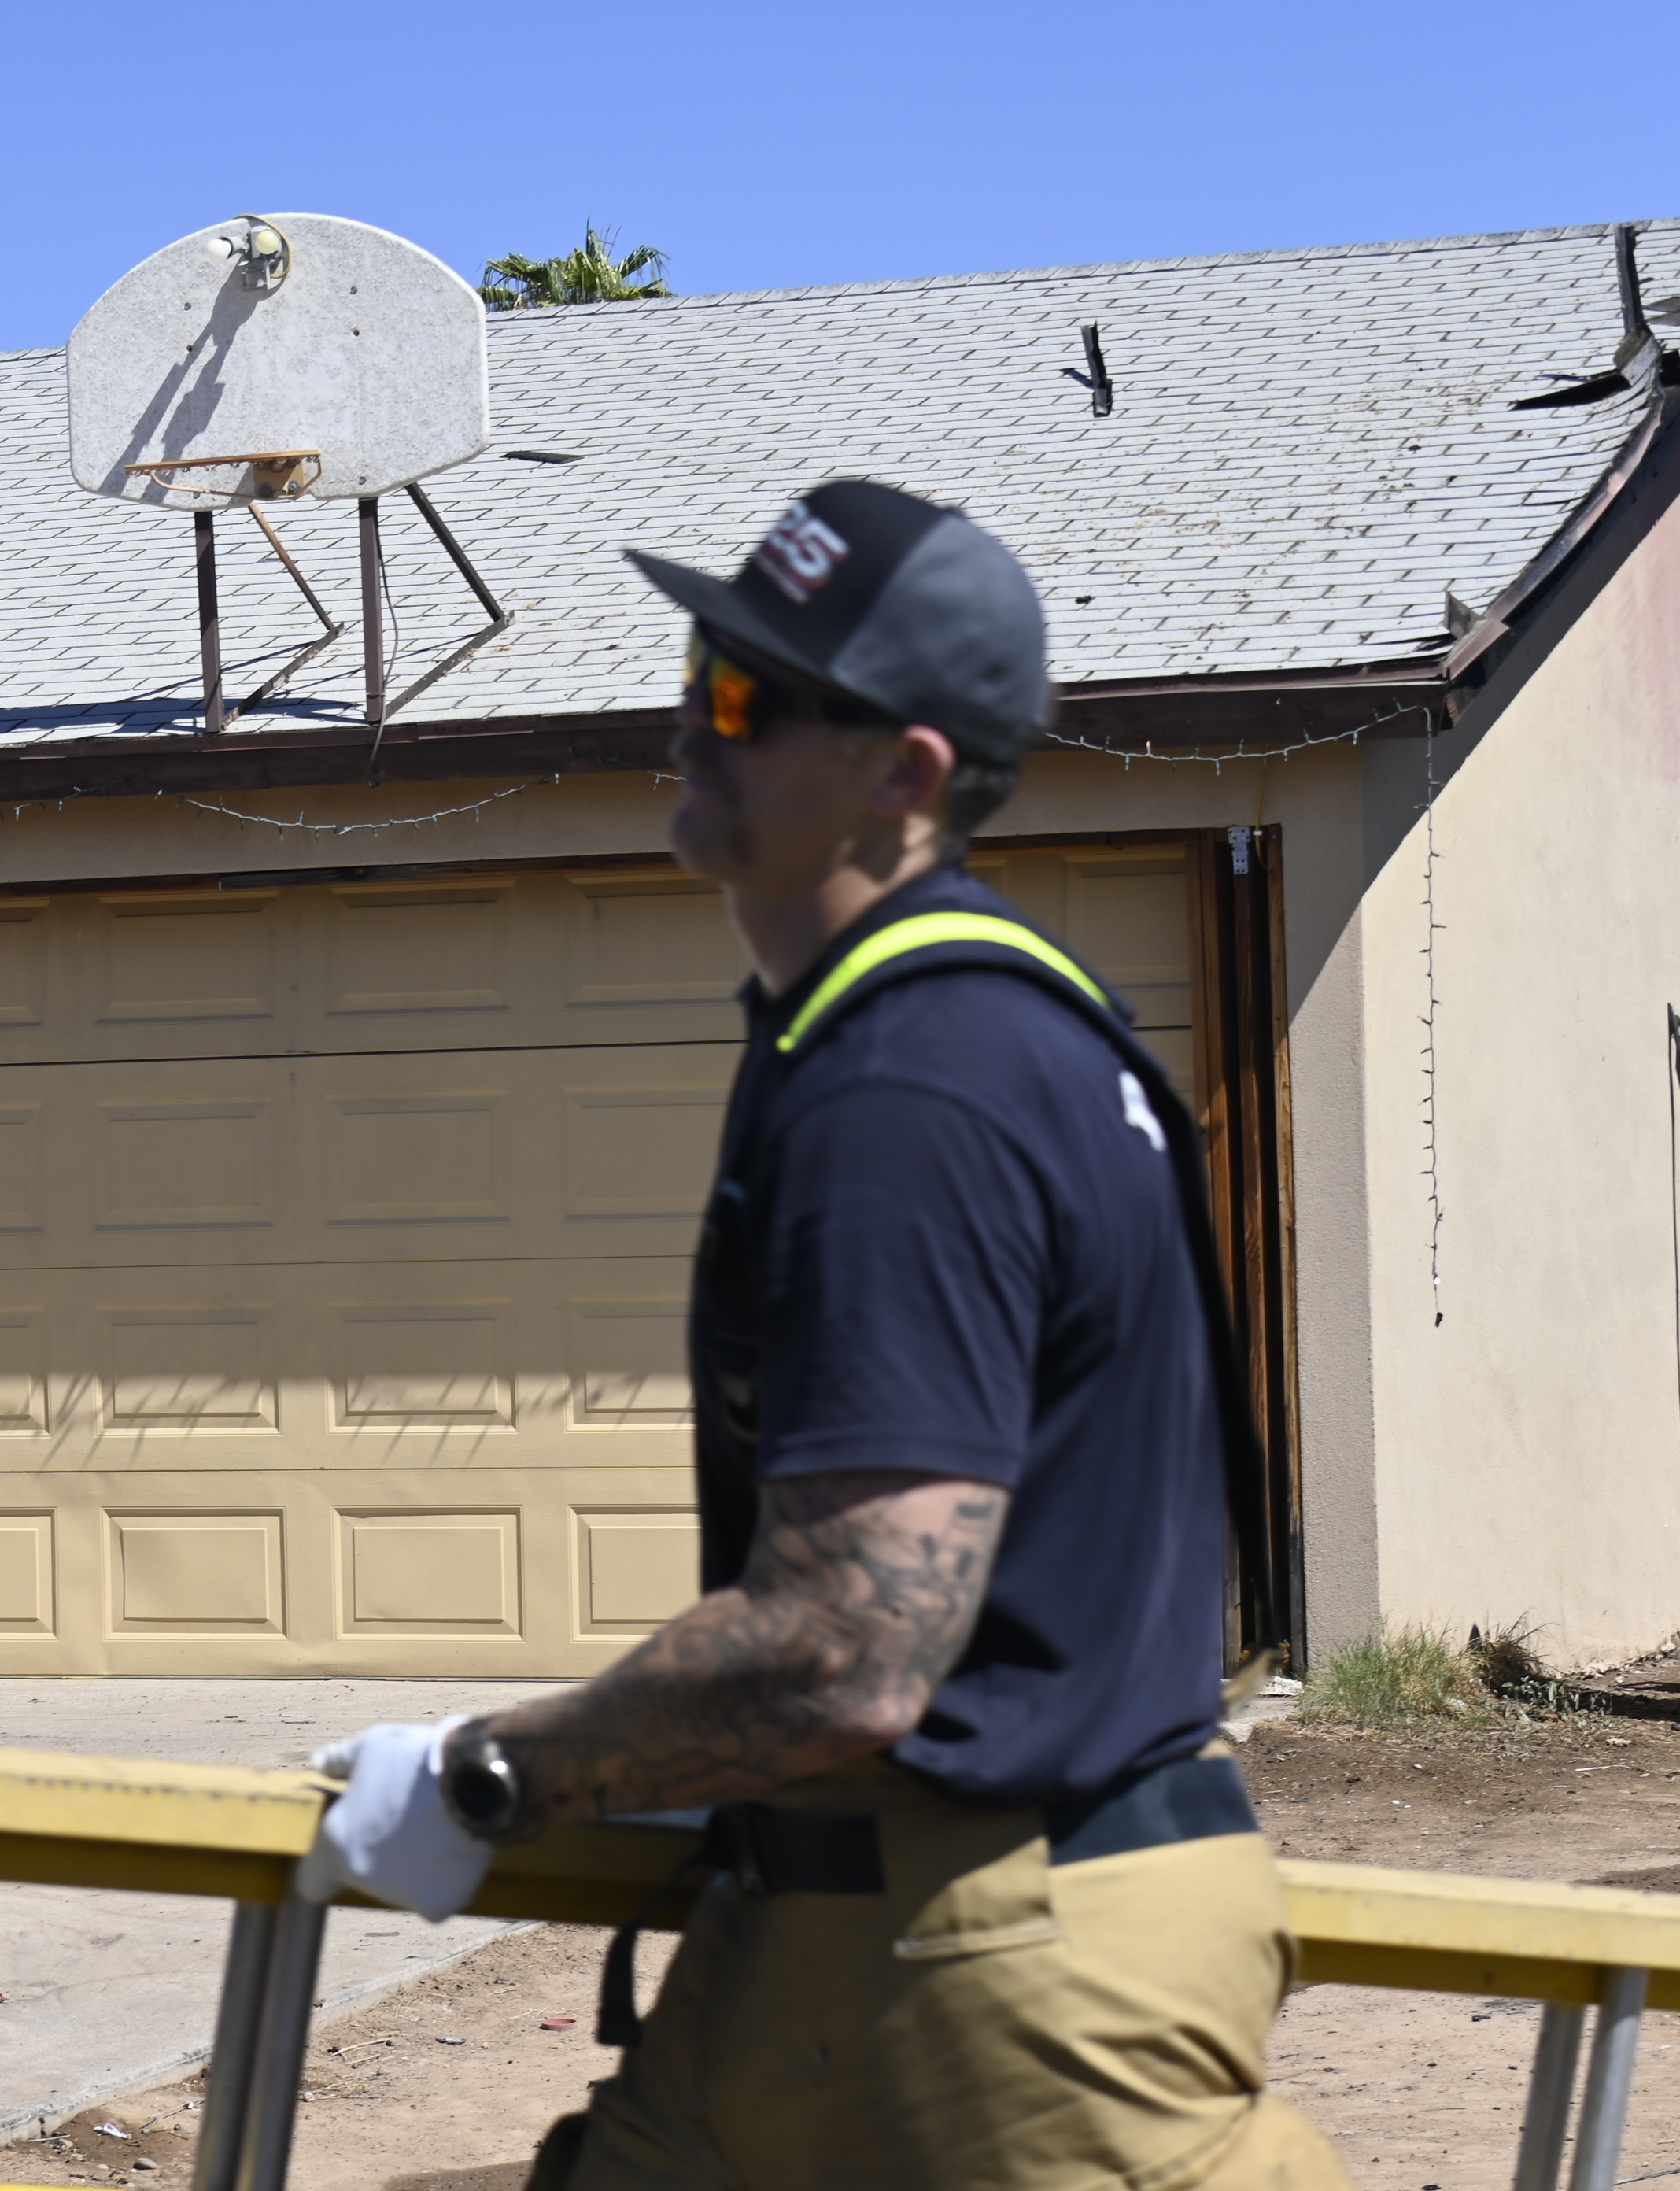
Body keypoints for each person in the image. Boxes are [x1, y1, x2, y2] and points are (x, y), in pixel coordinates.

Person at [301, 480, 1348, 2189]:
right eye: (696, 673)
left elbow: (846, 1649)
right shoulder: (982, 1032)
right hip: (844, 1938)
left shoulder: (912, 1086)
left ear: (905, 774)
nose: (690, 723)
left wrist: (495, 1773)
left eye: (744, 695)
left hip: (994, 1970)